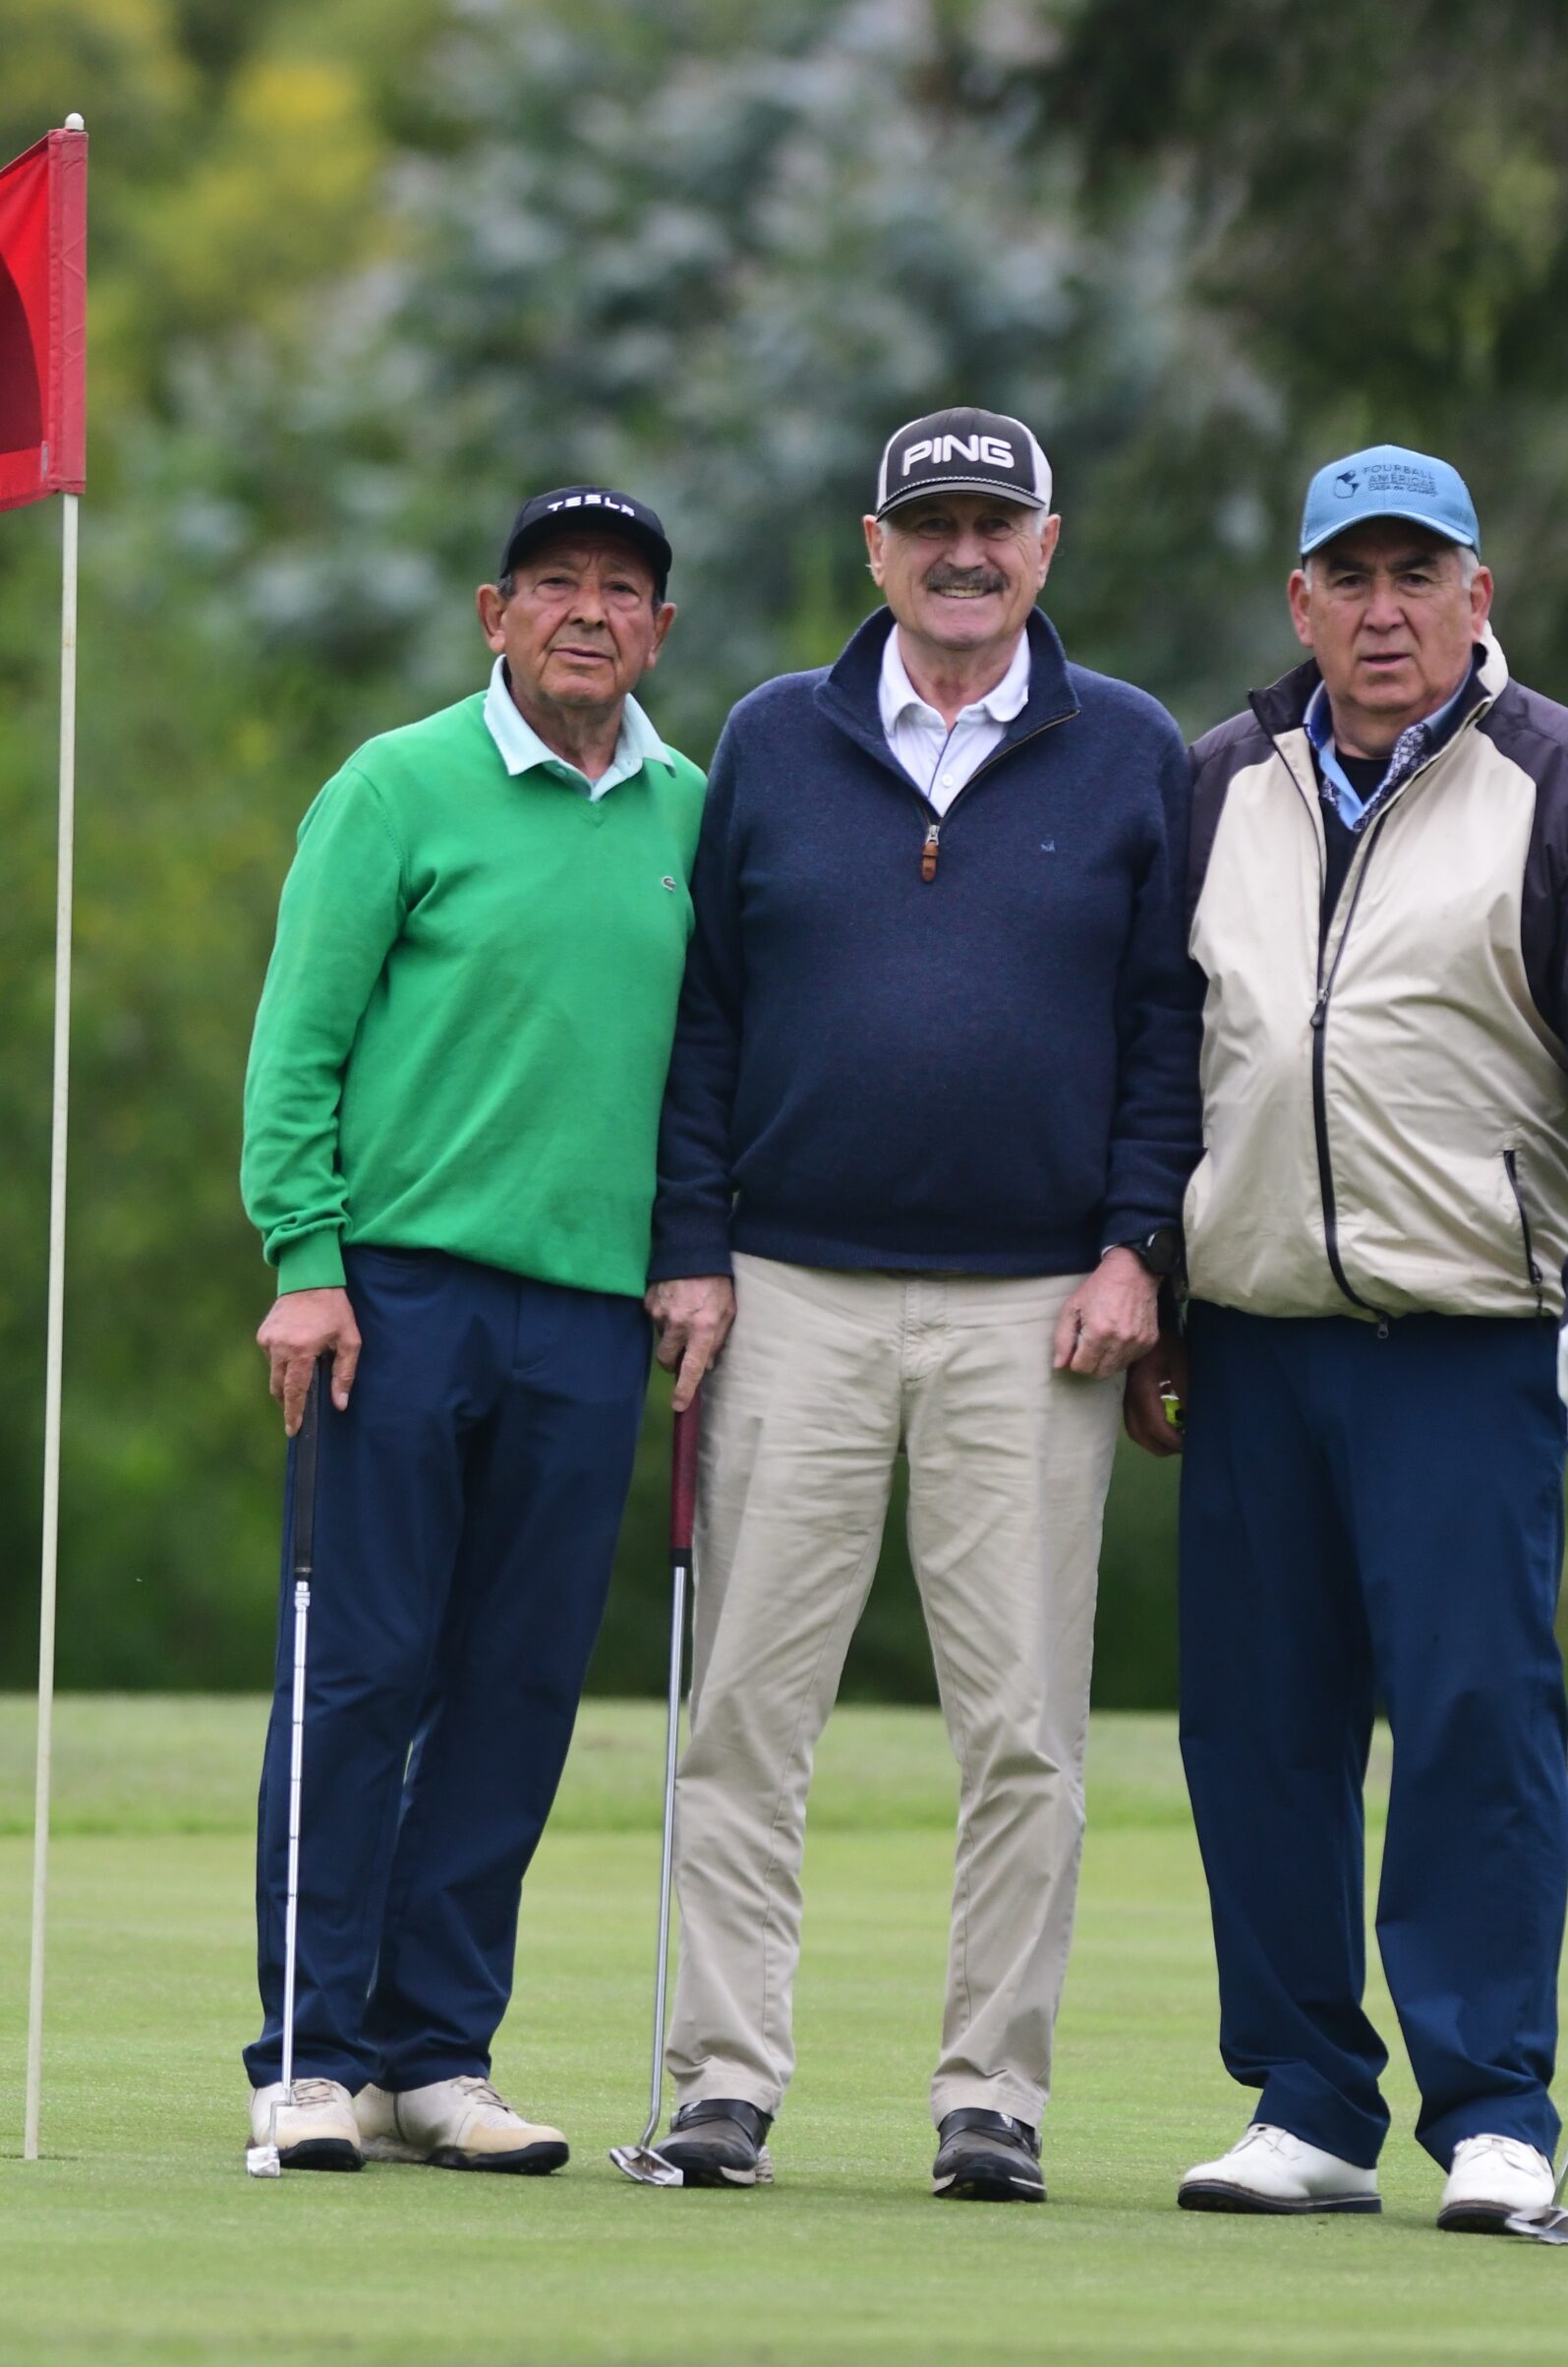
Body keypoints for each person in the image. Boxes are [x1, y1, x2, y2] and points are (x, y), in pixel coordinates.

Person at [1128, 444, 1568, 2231]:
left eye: (1419, 577)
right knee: (1259, 1732)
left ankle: (1494, 2110)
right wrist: (1151, 1275)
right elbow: (1165, 1061)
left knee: (1472, 1720)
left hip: (1469, 1337)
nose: (1385, 614)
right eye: (1352, 580)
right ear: (1300, 602)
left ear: (1478, 595)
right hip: (1255, 1335)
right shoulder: (1221, 781)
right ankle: (1306, 2100)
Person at [645, 407, 1202, 2202]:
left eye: (995, 525)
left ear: (1047, 548)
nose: (965, 554)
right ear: (875, 548)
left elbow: (1167, 1032)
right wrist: (690, 1245)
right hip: (787, 1289)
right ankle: (722, 2079)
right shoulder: (772, 736)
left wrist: (1139, 1248)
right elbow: (706, 1017)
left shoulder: (1131, 751)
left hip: (1040, 1306)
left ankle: (993, 2098)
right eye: (931, 524)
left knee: (1024, 1726)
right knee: (748, 1708)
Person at [238, 487, 704, 2172]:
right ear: (494, 615)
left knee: (515, 1688)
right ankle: (310, 2054)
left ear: (659, 631)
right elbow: (299, 1040)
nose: (590, 612)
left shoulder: (688, 808)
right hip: (396, 1297)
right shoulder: (396, 784)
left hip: (589, 1314)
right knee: (364, 1671)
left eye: (623, 590)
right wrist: (305, 1256)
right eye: (556, 583)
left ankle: (436, 2054)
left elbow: (706, 1072)